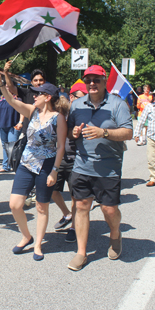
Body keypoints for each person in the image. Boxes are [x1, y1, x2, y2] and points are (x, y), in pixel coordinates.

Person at [0, 73, 66, 261]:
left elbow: (60, 147)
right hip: (26, 163)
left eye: (38, 93)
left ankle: (38, 244)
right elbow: (11, 100)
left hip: (47, 164)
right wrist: (1, 84)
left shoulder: (58, 118)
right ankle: (26, 236)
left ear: (48, 97)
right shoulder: (32, 111)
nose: (34, 96)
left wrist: (54, 171)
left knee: (42, 207)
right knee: (15, 205)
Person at [67, 65, 133, 271]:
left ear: (105, 81)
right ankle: (81, 252)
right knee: (81, 207)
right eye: (88, 80)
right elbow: (69, 132)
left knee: (109, 209)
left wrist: (104, 133)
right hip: (82, 165)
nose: (91, 84)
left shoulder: (117, 104)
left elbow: (128, 133)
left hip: (108, 168)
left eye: (96, 80)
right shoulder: (76, 105)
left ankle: (115, 235)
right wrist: (74, 132)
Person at [53, 81, 88, 241]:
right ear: (72, 97)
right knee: (52, 190)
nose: (86, 100)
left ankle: (74, 226)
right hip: (58, 159)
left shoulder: (85, 113)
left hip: (76, 160)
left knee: (76, 196)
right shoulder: (61, 110)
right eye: (83, 96)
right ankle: (67, 214)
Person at [4, 61, 46, 134]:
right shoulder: (27, 93)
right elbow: (11, 87)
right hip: (29, 131)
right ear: (32, 82)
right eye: (35, 80)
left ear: (44, 81)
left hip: (45, 131)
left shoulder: (49, 95)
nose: (38, 82)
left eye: (41, 80)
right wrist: (6, 72)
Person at [0, 77, 22, 173]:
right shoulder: (0, 98)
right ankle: (5, 166)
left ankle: (15, 165)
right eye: (5, 86)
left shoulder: (17, 98)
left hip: (13, 125)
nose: (7, 88)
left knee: (12, 145)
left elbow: (22, 111)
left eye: (9, 86)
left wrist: (20, 122)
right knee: (5, 146)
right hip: (2, 125)